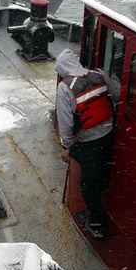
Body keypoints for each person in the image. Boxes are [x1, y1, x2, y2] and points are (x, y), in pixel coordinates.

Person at [55, 48, 119, 240]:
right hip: (109, 135)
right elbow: (117, 94)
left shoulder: (65, 87)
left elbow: (65, 121)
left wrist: (66, 147)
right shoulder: (99, 74)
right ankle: (106, 186)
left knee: (88, 184)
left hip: (88, 143)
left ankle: (97, 225)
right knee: (105, 169)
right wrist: (115, 77)